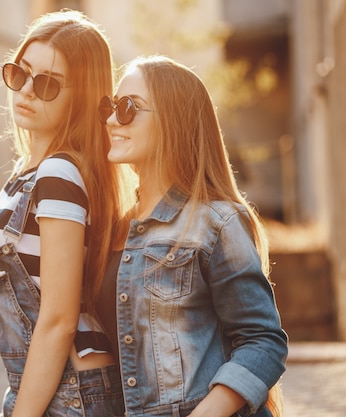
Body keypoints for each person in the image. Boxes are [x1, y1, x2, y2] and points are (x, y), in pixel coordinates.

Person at [0, 10, 134, 417]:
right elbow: (26, 260)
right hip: (47, 383)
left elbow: (58, 317)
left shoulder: (59, 173)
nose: (27, 92)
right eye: (20, 74)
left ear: (82, 97)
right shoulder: (31, 172)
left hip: (72, 387)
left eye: (48, 84)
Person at [96, 55, 288, 417]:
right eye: (110, 107)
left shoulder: (216, 222)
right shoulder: (111, 228)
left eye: (127, 108)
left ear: (173, 120)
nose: (110, 119)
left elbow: (263, 341)